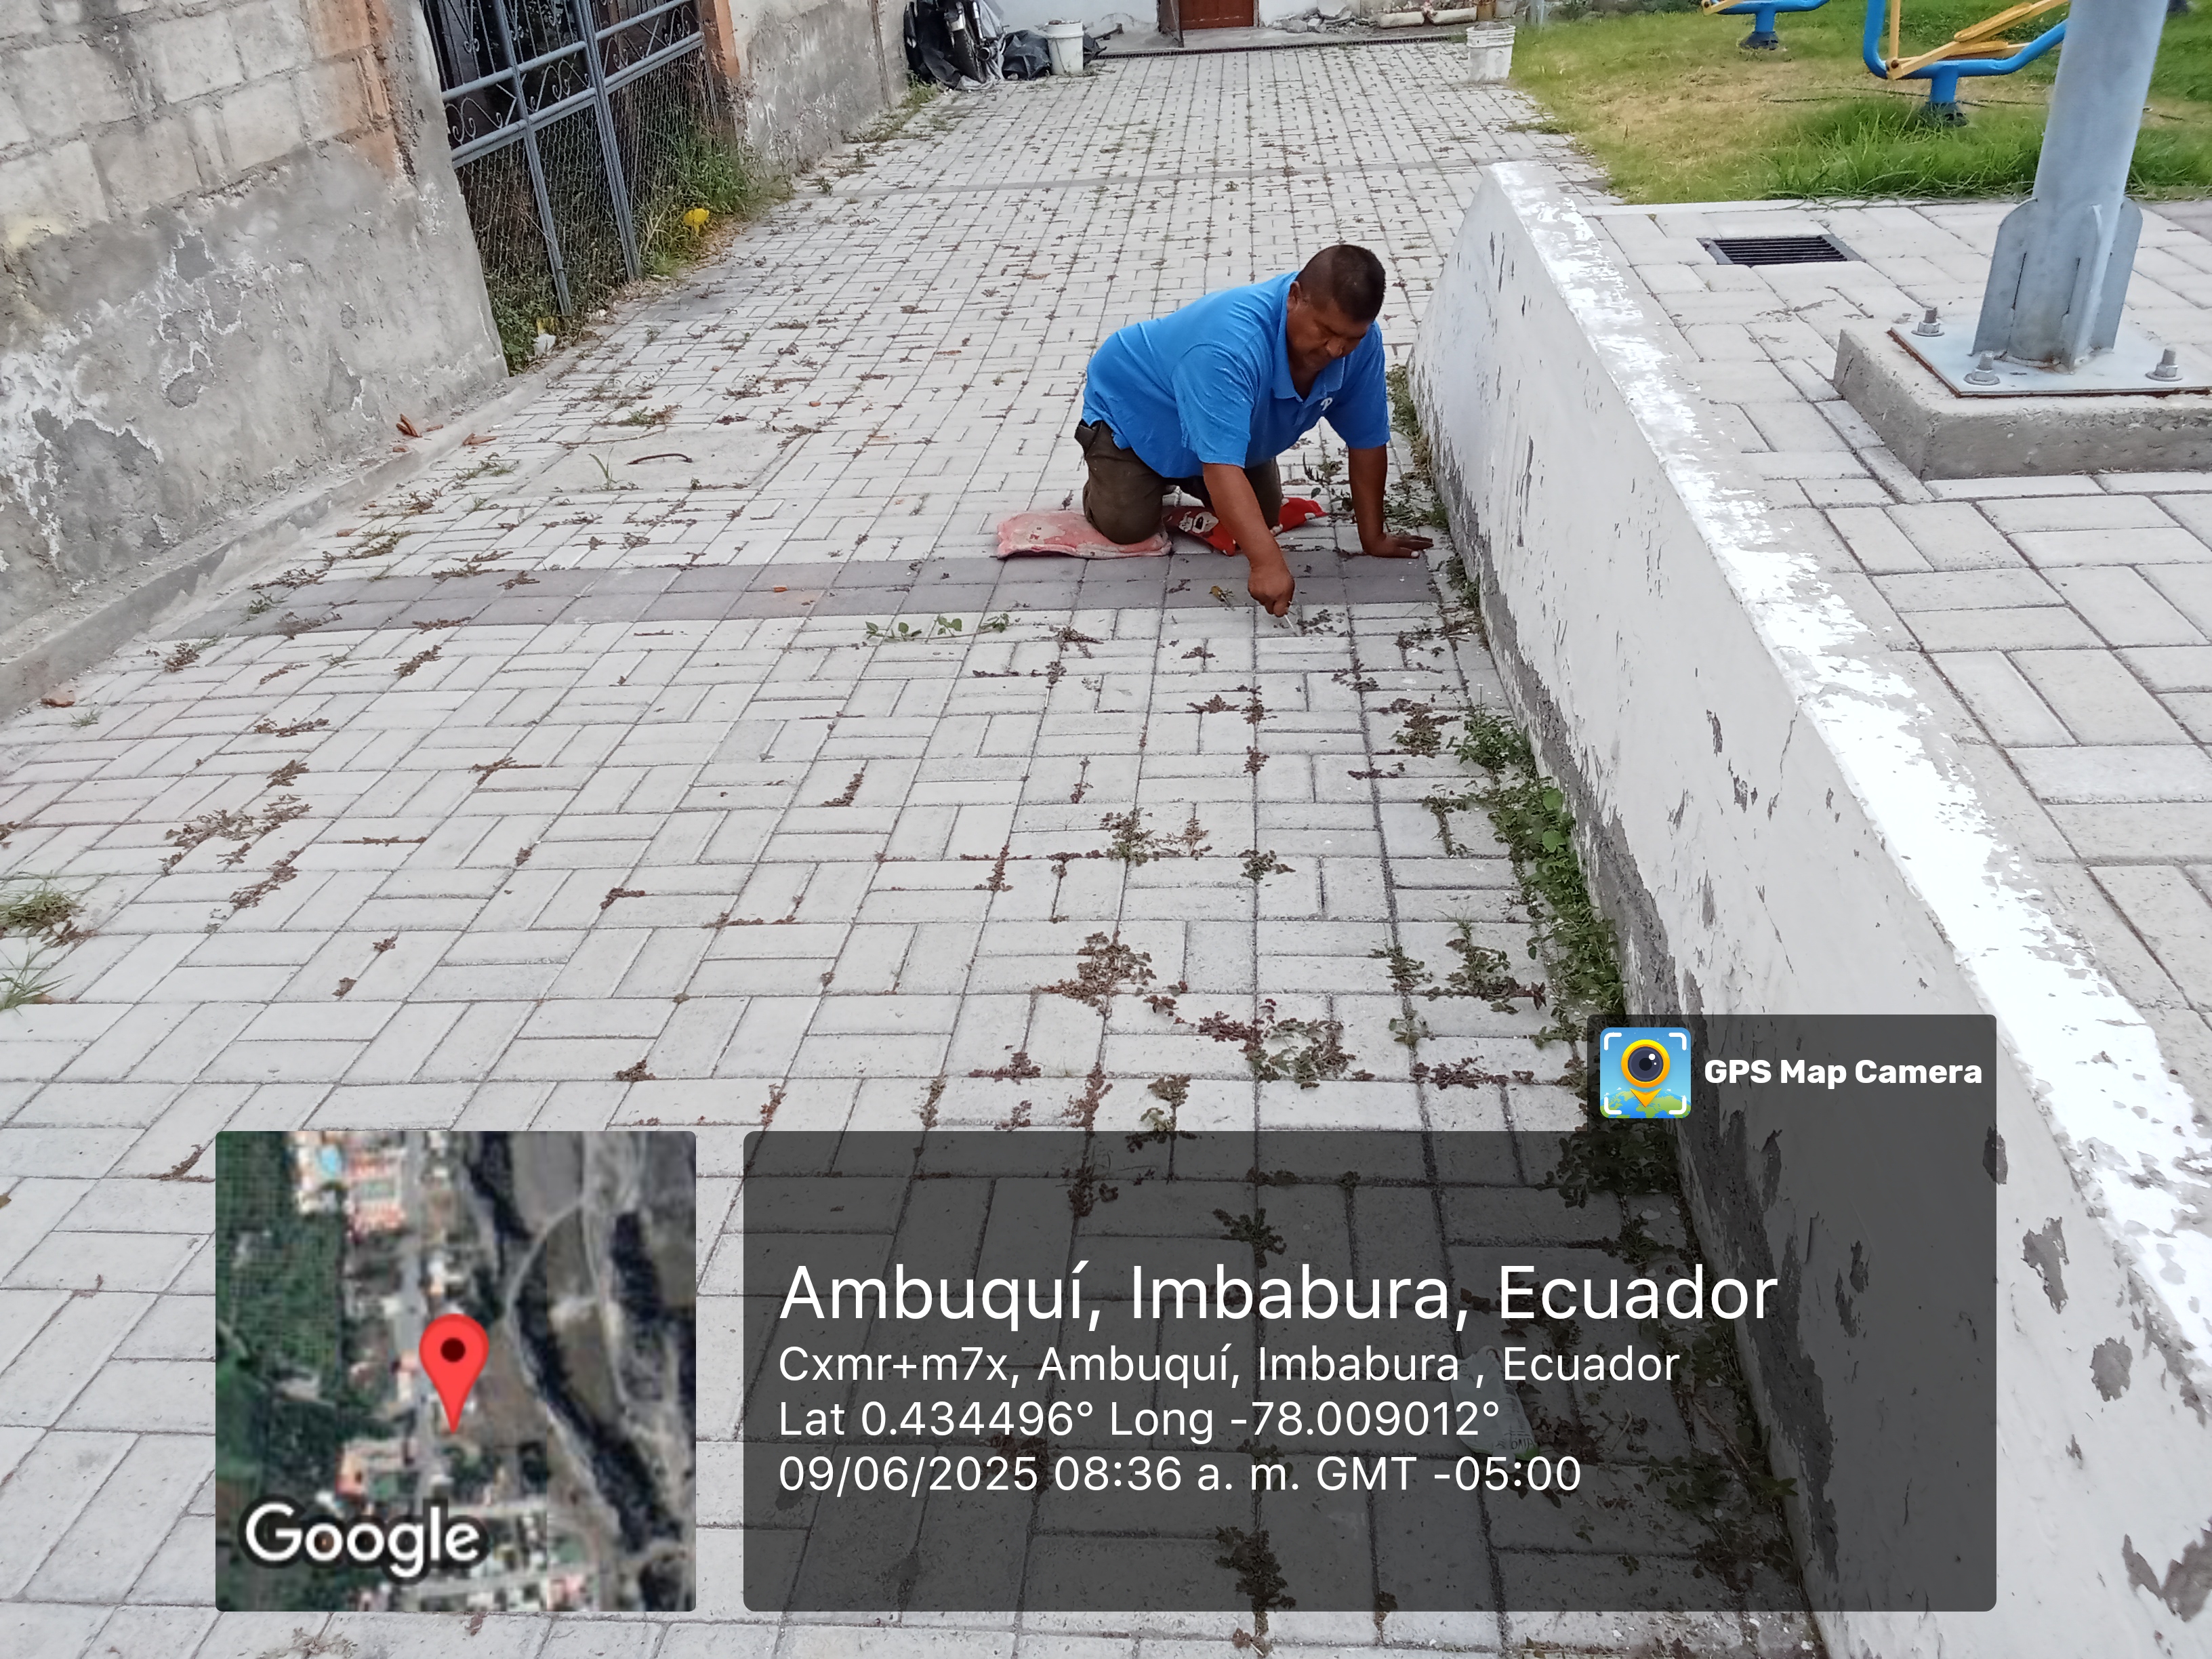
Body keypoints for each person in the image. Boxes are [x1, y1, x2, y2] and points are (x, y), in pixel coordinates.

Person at [1074, 243, 1433, 616]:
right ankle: (1129, 473)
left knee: (1264, 518)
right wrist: (1266, 564)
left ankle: (1194, 463)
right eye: (1325, 331)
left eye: (1352, 337)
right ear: (1295, 297)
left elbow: (1368, 440)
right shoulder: (1228, 348)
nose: (1336, 349)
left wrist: (1374, 537)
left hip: (1215, 426)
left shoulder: (1363, 344)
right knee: (1127, 525)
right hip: (1133, 417)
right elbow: (1221, 468)